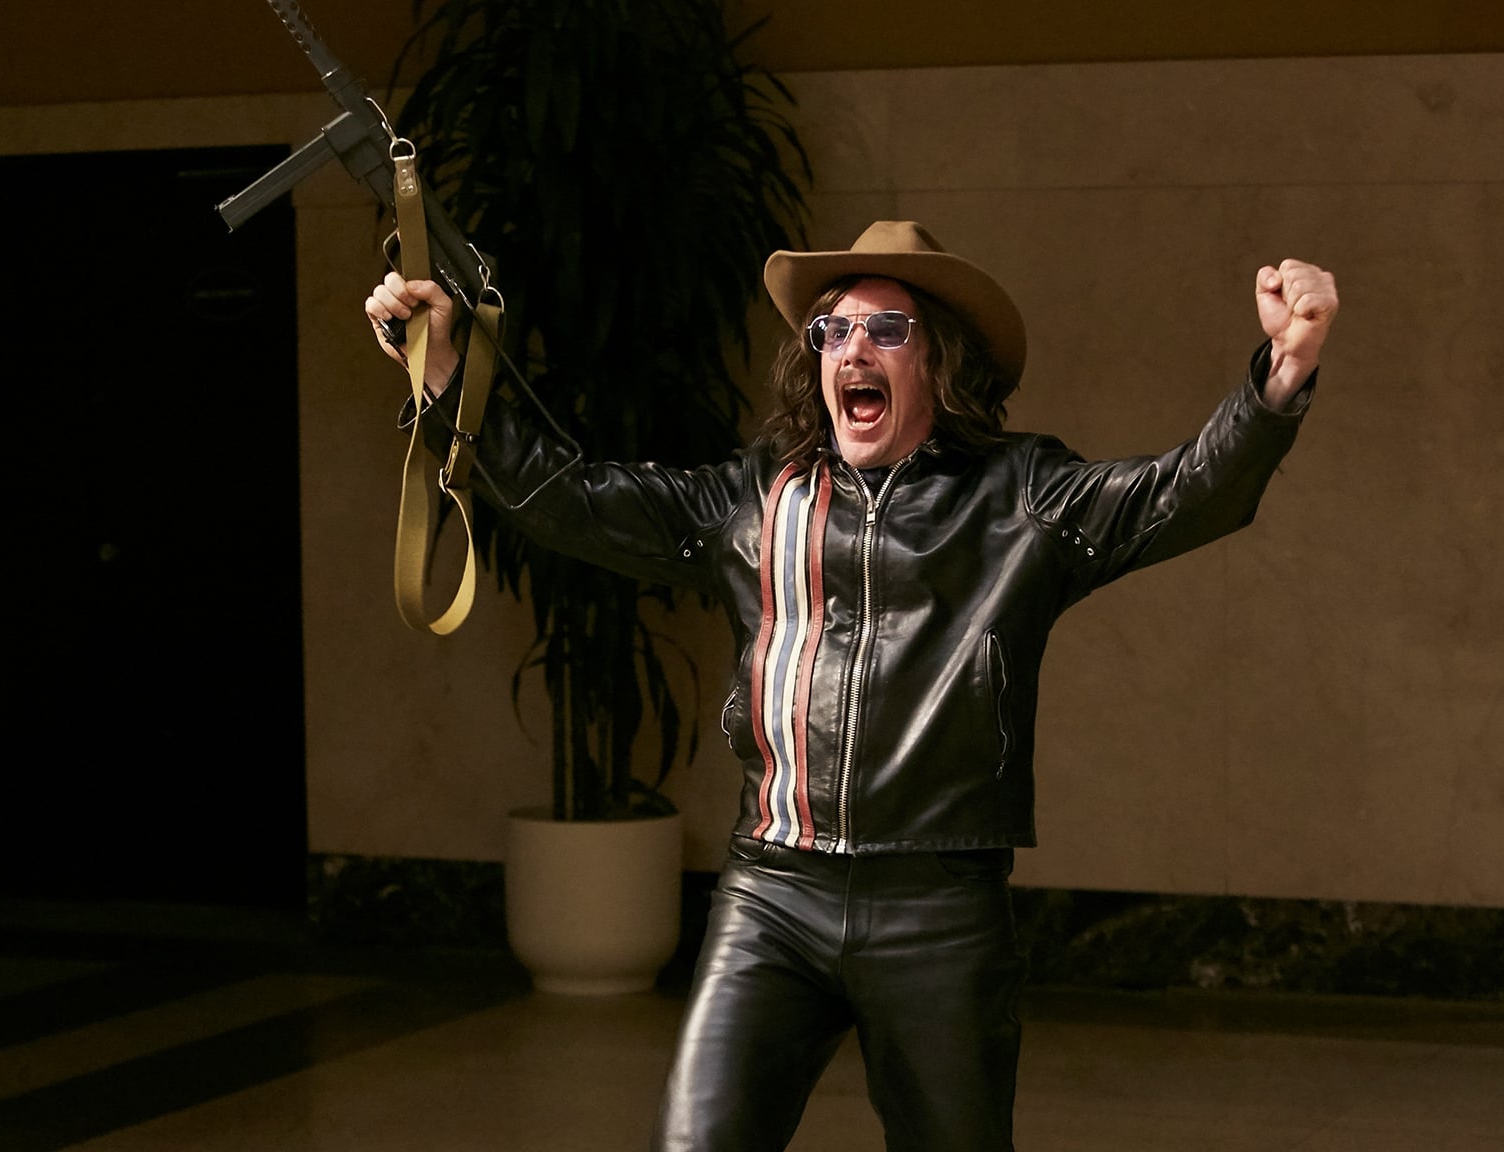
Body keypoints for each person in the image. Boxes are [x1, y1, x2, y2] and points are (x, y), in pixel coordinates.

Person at [364, 220, 1336, 1152]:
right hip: (771, 898)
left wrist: (1282, 372)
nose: (852, 348)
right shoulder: (756, 499)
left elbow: (1186, 492)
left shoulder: (1022, 496)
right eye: (832, 330)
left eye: (887, 329)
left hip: (938, 911)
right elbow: (570, 499)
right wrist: (442, 371)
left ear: (939, 359)